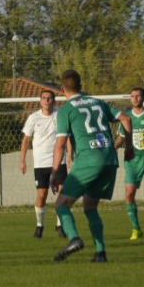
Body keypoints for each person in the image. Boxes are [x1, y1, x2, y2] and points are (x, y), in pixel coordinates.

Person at [50, 70, 134, 263]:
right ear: (80, 85)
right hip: (109, 159)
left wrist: (54, 173)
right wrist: (129, 148)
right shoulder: (98, 102)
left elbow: (60, 145)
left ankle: (74, 239)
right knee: (90, 206)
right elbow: (126, 119)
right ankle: (100, 252)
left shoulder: (65, 110)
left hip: (89, 160)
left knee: (61, 205)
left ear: (62, 89)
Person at [19, 90, 69, 239]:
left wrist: (71, 154)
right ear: (40, 101)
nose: (47, 100)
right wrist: (22, 160)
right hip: (41, 163)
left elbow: (68, 136)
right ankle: (39, 225)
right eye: (44, 98)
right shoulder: (33, 118)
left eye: (49, 98)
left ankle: (60, 225)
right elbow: (26, 140)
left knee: (62, 194)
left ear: (54, 101)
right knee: (42, 195)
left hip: (59, 161)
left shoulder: (60, 115)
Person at [113, 87, 144, 240]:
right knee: (129, 194)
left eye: (138, 96)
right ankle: (136, 229)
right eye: (132, 96)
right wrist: (112, 148)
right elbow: (121, 137)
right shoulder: (126, 117)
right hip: (132, 161)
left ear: (143, 98)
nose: (135, 98)